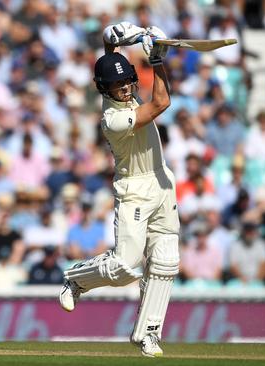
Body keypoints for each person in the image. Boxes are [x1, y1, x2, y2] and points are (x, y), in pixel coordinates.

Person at [58, 22, 180, 357]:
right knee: (125, 267)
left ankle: (148, 334)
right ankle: (77, 279)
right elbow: (161, 103)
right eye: (117, 85)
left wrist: (120, 37)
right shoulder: (112, 119)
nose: (125, 88)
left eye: (128, 81)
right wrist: (156, 60)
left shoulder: (122, 86)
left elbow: (110, 54)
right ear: (103, 90)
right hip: (134, 190)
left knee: (166, 261)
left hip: (162, 182)